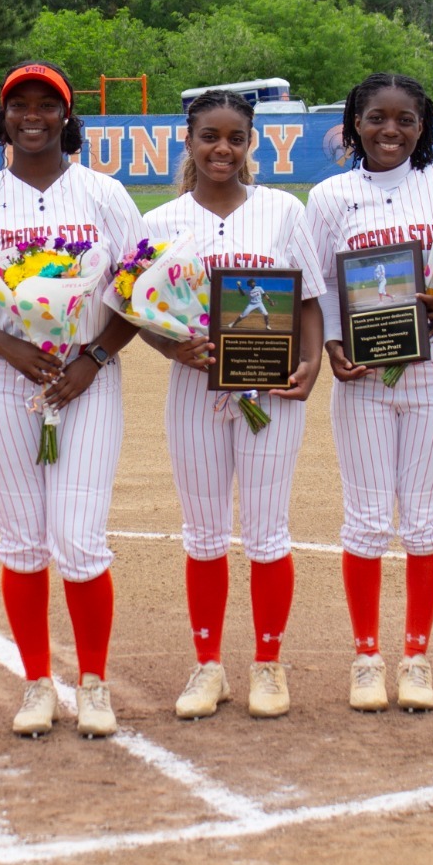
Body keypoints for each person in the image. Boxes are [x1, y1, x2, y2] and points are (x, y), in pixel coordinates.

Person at [0, 61, 146, 739]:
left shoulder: (104, 194)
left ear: (66, 116)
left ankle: (92, 681)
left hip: (87, 380)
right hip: (4, 380)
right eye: (20, 105)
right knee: (23, 542)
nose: (34, 116)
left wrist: (92, 356)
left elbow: (141, 292)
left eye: (47, 105)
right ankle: (36, 681)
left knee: (81, 542)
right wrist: (13, 349)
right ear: (4, 118)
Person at [139, 89, 324, 720]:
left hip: (270, 389)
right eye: (209, 137)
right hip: (195, 390)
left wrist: (311, 362)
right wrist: (170, 348)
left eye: (235, 138)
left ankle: (268, 666)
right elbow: (139, 310)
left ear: (252, 144)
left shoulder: (281, 211)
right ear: (187, 141)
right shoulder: (161, 223)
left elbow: (308, 301)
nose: (223, 148)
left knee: (268, 530)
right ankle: (208, 665)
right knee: (204, 532)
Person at [305, 73, 433, 713]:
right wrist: (331, 346)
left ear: (423, 125)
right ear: (354, 123)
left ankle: (416, 656)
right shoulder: (329, 197)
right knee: (367, 519)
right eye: (376, 118)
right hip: (362, 380)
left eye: (404, 120)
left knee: (428, 518)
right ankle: (366, 657)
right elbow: (321, 285)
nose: (390, 131)